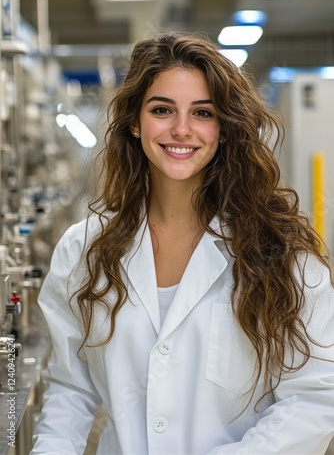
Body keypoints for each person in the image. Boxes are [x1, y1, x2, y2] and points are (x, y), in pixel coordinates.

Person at [31, 33, 334, 455]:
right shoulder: (83, 249)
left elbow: (316, 397)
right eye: (162, 110)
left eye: (203, 113)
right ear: (135, 123)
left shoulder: (281, 253)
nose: (182, 129)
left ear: (224, 127)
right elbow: (70, 390)